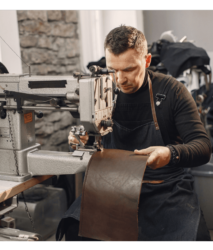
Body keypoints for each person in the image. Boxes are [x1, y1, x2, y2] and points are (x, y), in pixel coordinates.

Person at [56, 25, 212, 242]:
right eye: (113, 70)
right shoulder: (102, 91)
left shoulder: (172, 91)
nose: (119, 79)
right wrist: (84, 139)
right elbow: (93, 135)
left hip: (164, 186)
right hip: (112, 184)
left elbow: (202, 146)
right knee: (76, 228)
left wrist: (170, 153)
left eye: (129, 69)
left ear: (147, 61)